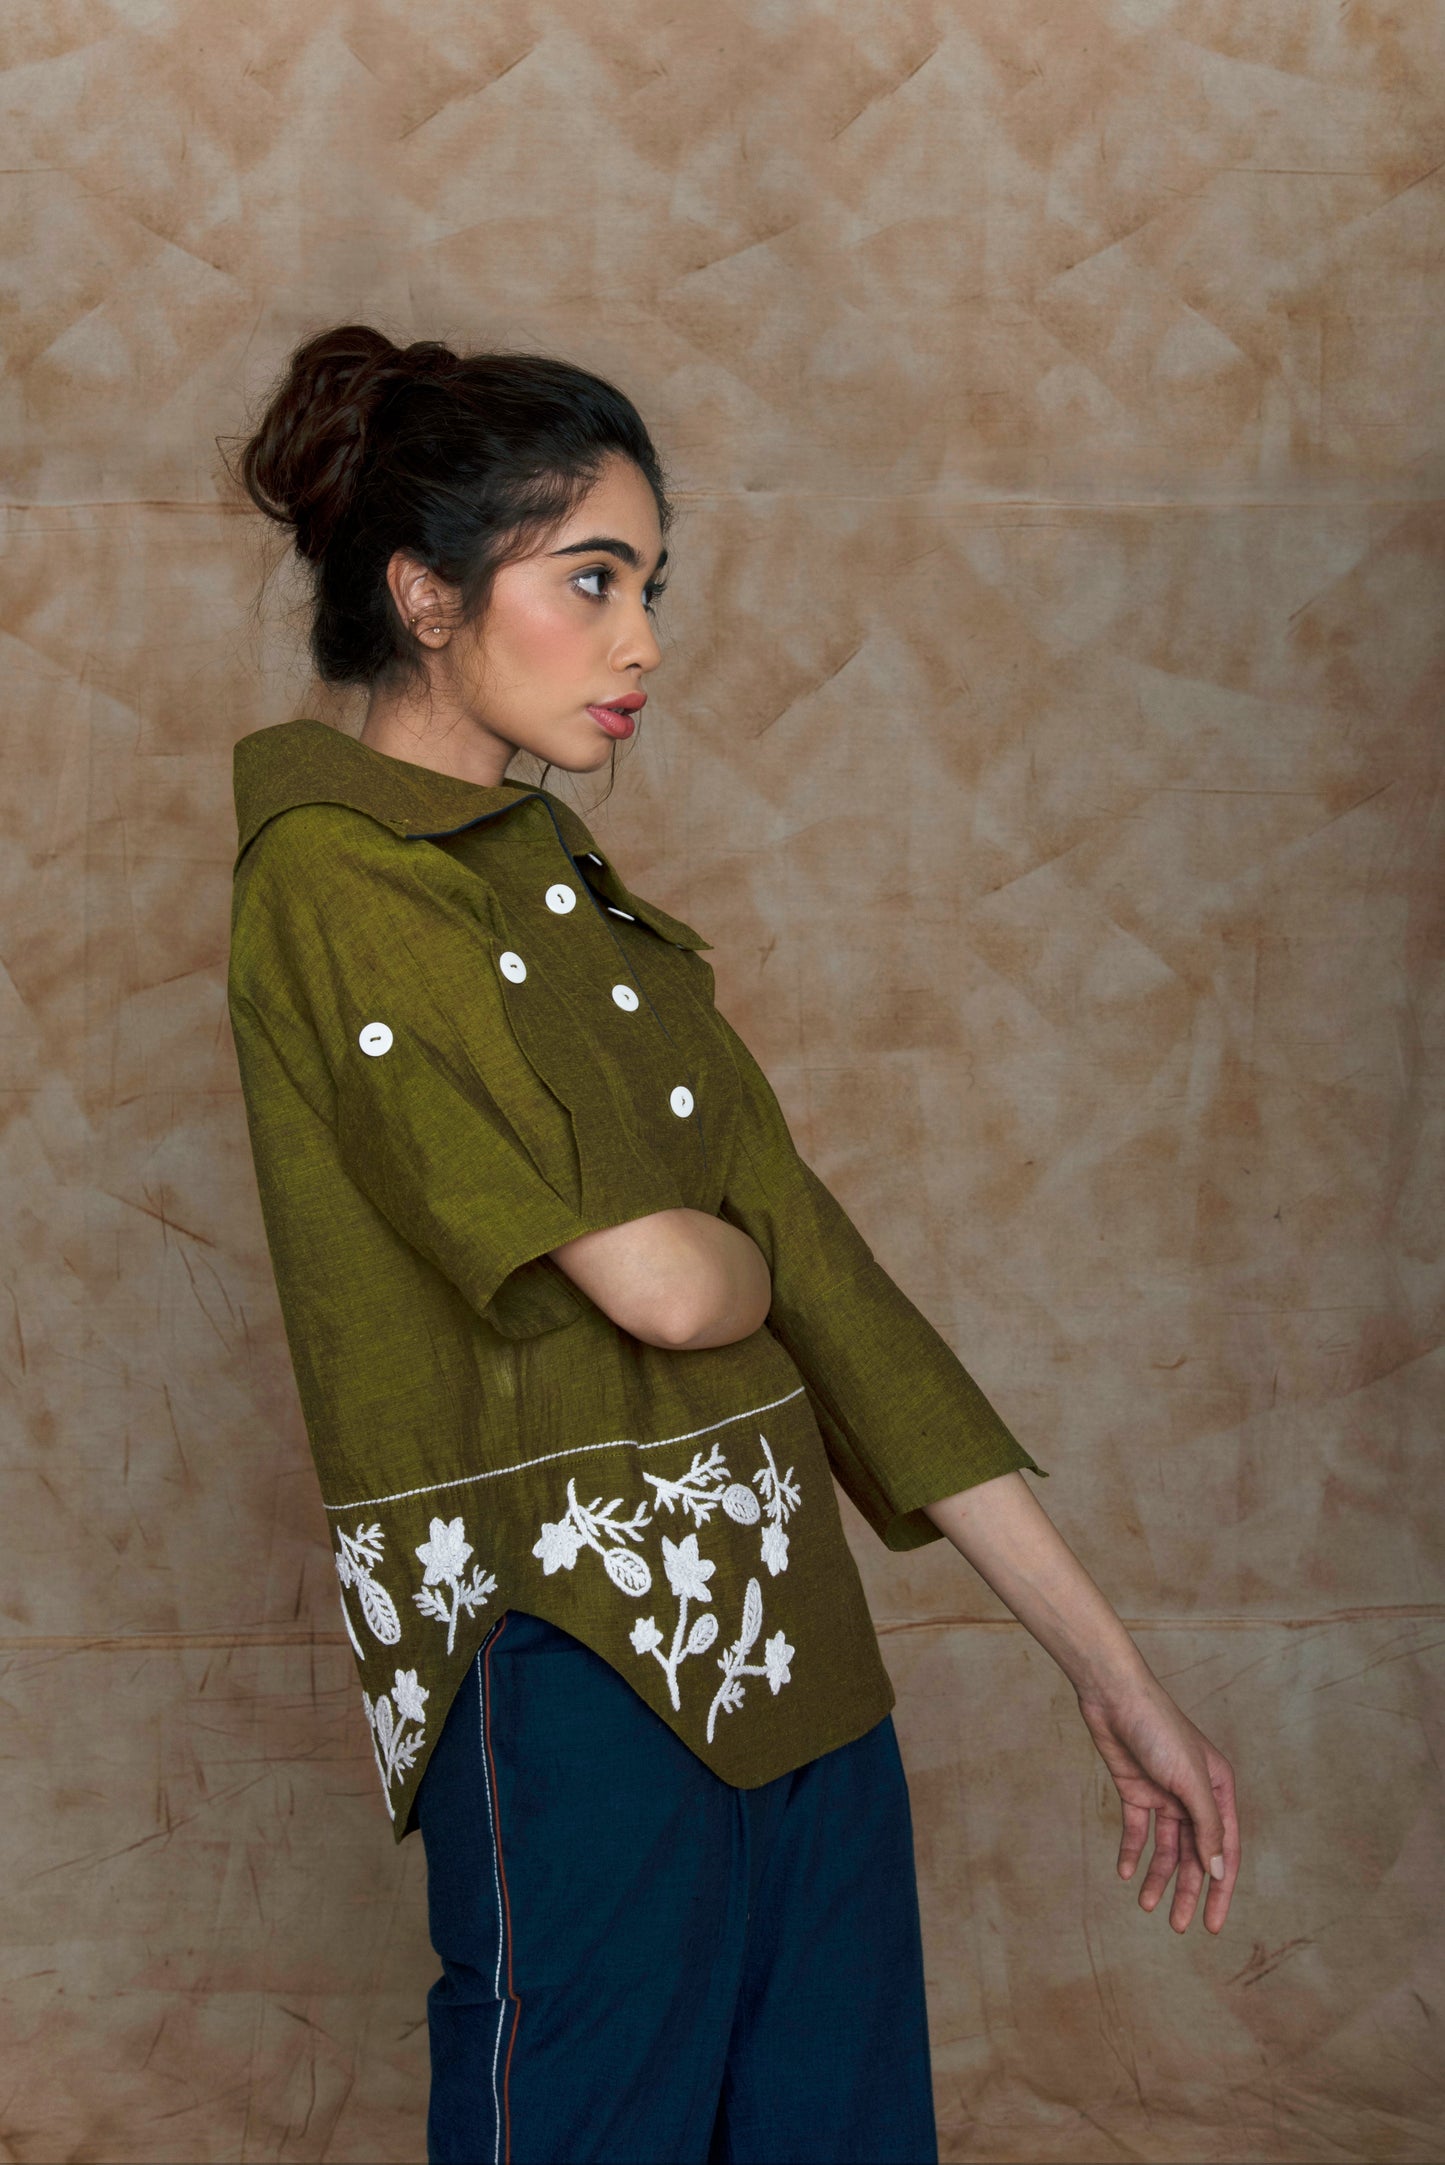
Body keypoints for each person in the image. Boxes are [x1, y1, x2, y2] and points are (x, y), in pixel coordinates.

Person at [226, 325, 1240, 2165]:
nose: (643, 643)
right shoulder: (331, 874)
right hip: (570, 1662)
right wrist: (725, 1268)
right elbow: (664, 1281)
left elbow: (829, 1288)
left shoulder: (594, 913)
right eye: (590, 580)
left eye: (653, 588)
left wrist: (1112, 1675)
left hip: (803, 1663)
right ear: (425, 594)